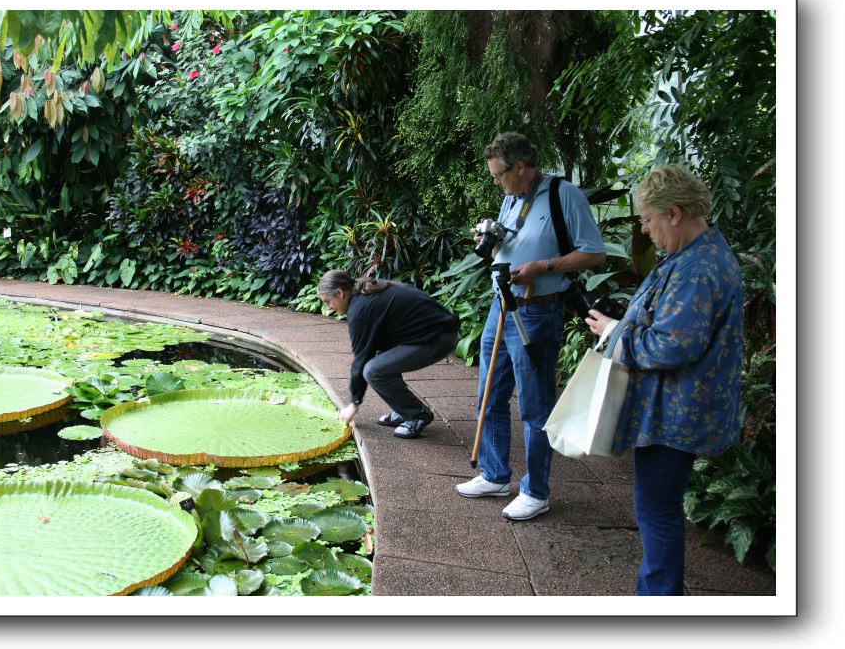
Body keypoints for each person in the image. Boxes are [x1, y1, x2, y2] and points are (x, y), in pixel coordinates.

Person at [585, 164, 743, 595]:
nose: (645, 229)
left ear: (674, 213)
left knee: (657, 509)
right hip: (676, 409)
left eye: (648, 219)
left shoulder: (696, 268)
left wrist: (616, 332)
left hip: (675, 415)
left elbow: (674, 347)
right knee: (659, 507)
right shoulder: (699, 255)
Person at [456, 131, 606, 521]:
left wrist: (545, 266)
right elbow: (513, 241)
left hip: (537, 310)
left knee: (534, 405)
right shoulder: (512, 197)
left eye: (499, 175)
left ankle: (536, 490)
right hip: (500, 305)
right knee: (489, 392)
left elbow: (594, 253)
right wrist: (488, 240)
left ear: (520, 167)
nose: (496, 182)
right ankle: (494, 474)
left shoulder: (562, 194)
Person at [317, 270, 460, 439]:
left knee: (373, 370)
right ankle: (403, 409)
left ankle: (417, 415)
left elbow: (361, 360)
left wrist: (354, 404)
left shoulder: (360, 309)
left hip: (438, 338)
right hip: (433, 332)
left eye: (328, 301)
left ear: (340, 293)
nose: (328, 307)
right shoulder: (365, 292)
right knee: (378, 356)